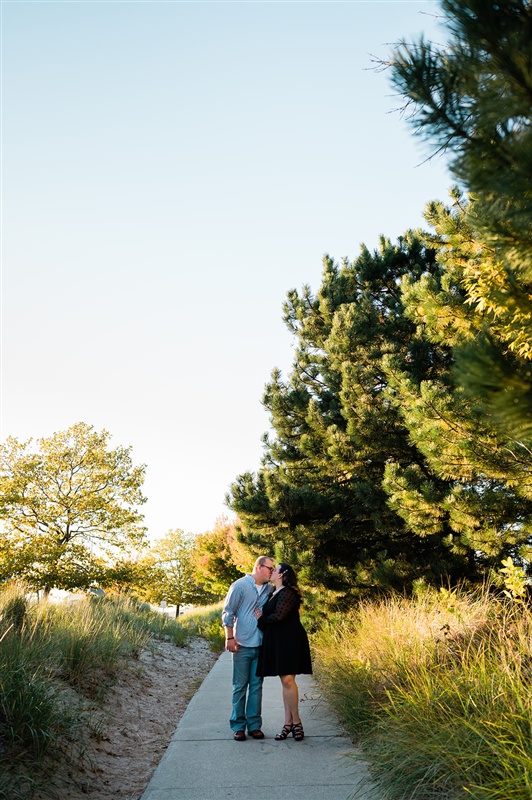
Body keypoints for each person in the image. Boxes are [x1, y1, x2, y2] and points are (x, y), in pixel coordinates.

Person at [254, 562, 312, 742]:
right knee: (285, 682)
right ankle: (288, 723)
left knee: (288, 681)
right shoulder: (273, 593)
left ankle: (296, 723)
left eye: (275, 569)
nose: (271, 571)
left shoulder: (288, 592)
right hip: (278, 641)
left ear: (281, 575)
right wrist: (263, 620)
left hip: (289, 640)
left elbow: (279, 616)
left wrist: (262, 619)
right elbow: (268, 620)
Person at [222, 555, 275, 741]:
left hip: (261, 645)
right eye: (270, 568)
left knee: (256, 687)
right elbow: (228, 612)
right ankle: (238, 726)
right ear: (259, 567)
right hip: (241, 644)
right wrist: (229, 637)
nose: (272, 572)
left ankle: (254, 726)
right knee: (239, 686)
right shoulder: (239, 585)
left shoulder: (270, 589)